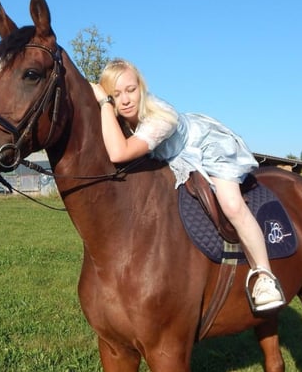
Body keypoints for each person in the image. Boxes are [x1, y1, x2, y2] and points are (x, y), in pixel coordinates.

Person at [90, 58, 285, 313]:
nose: (125, 100)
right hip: (174, 158)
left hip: (206, 147)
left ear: (141, 87)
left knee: (231, 204)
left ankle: (264, 276)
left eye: (131, 90)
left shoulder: (161, 117)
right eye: (116, 95)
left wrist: (104, 103)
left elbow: (118, 152)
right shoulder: (124, 117)